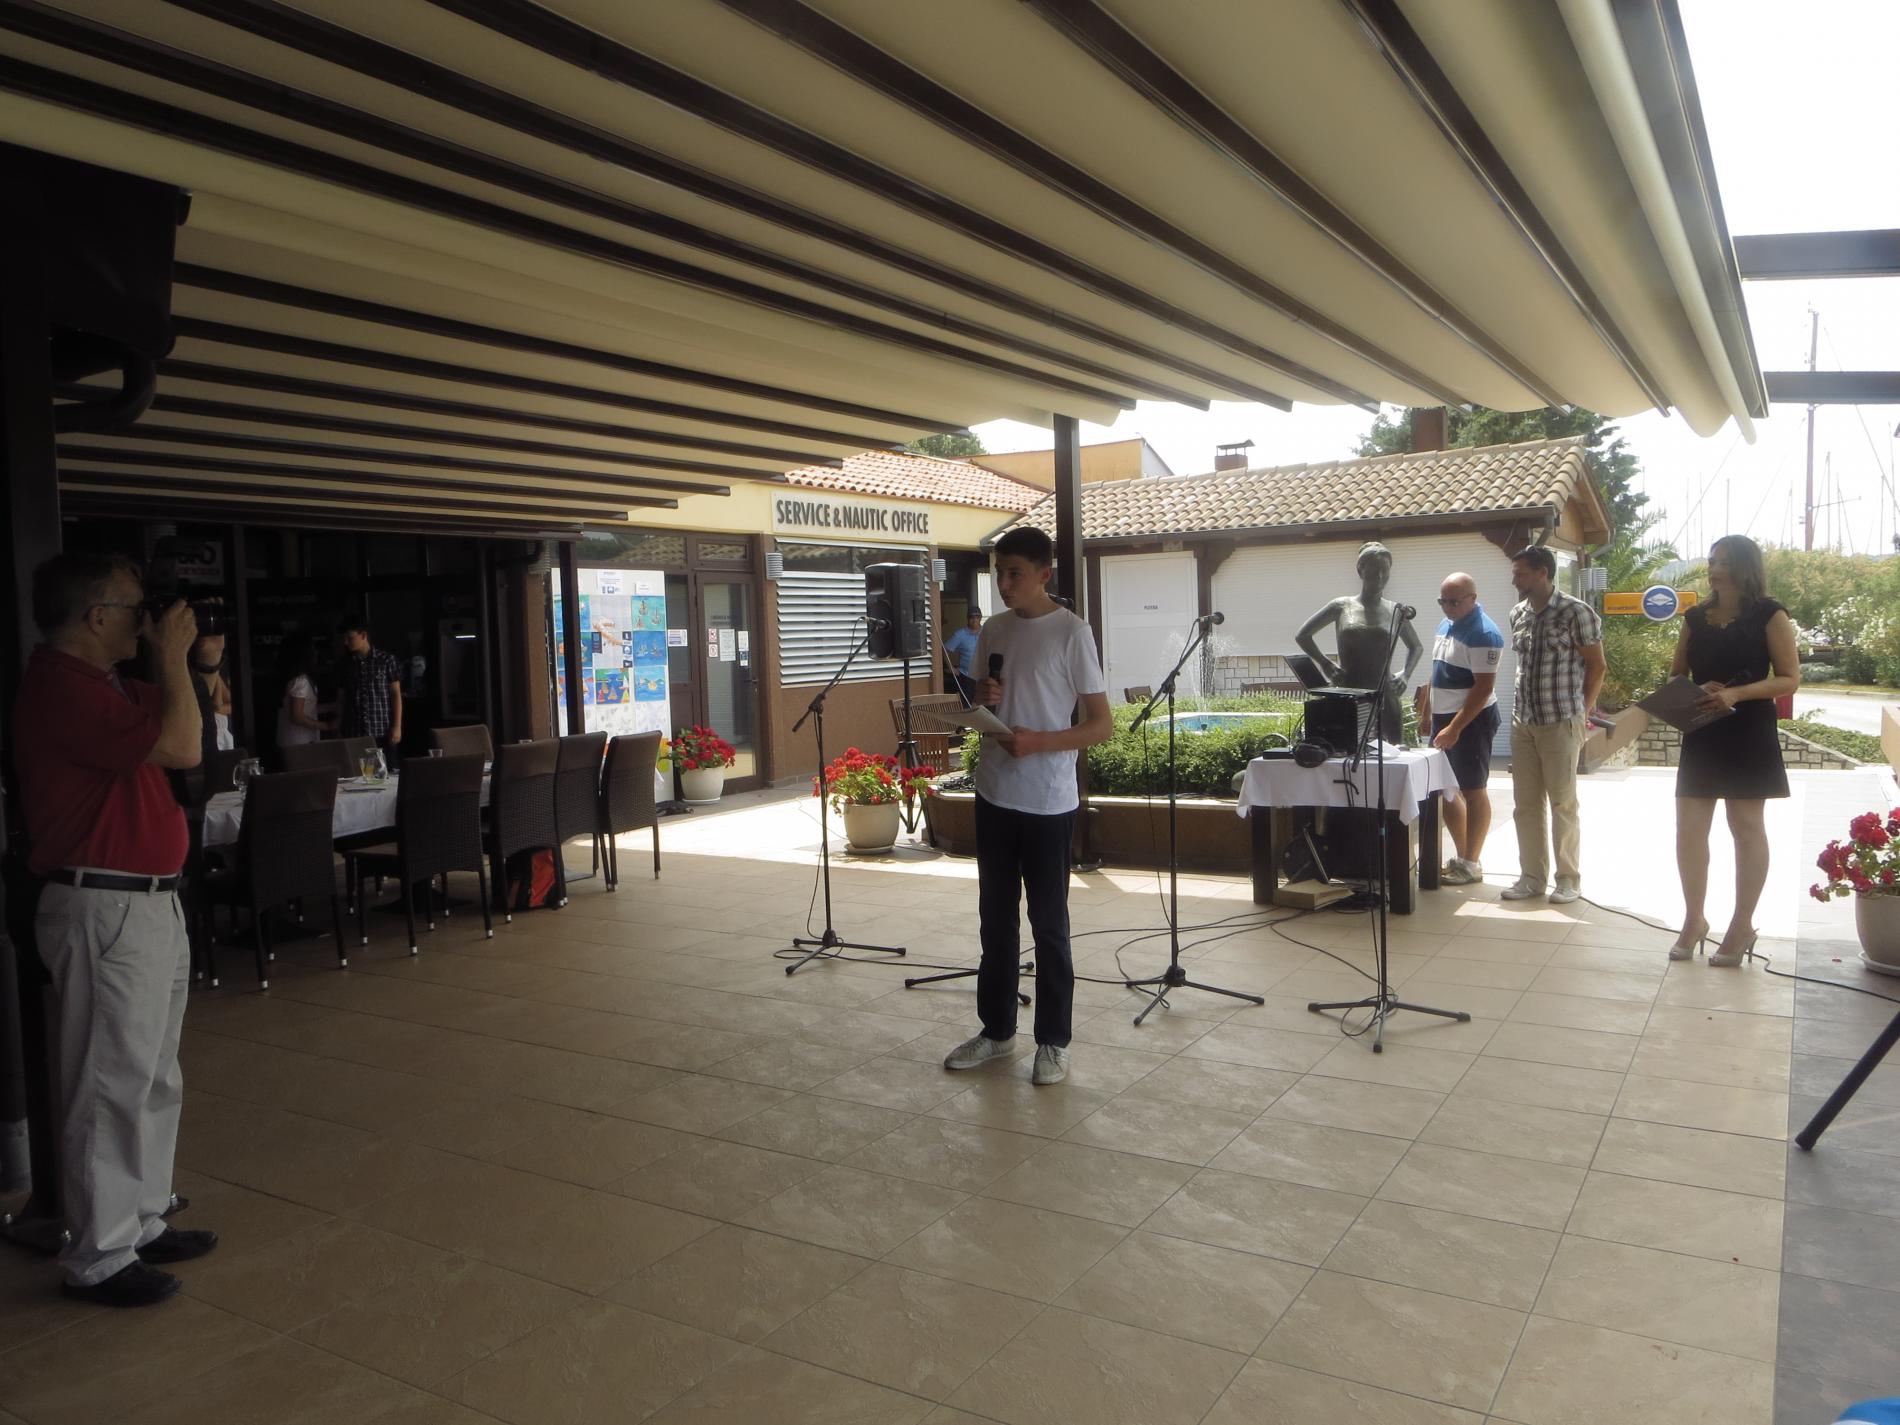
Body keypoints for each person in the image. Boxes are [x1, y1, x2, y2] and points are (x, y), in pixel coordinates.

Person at [13, 552, 219, 1307]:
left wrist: (192, 662)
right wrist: (173, 657)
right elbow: (183, 747)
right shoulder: (60, 688)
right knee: (109, 1081)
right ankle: (99, 1253)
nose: (145, 619)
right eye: (135, 608)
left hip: (147, 902)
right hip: (104, 904)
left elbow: (191, 727)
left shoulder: (105, 684)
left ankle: (141, 1216)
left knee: (154, 1071)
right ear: (96, 617)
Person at [942, 528, 1112, 1086]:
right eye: (999, 572)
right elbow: (979, 700)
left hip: (1046, 801)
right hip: (994, 792)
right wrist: (981, 699)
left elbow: (1101, 725)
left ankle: (1053, 1042)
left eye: (1015, 572)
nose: (1004, 583)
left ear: (1044, 573)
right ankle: (996, 1031)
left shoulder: (1072, 632)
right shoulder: (993, 628)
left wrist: (1039, 741)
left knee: (1049, 924)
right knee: (996, 919)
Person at [1669, 535, 1798, 966]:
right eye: (1712, 561)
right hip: (1703, 728)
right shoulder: (1694, 617)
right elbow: (1675, 676)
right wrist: (1695, 689)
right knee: (1688, 830)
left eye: (1724, 562)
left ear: (1745, 567)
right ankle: (1694, 920)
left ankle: (1742, 926)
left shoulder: (1770, 613)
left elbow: (1790, 678)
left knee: (1745, 827)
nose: (1715, 568)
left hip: (1749, 730)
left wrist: (1736, 693)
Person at [1503, 545, 1605, 904]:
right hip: (1523, 722)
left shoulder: (1576, 612)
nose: (1514, 580)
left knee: (1563, 803)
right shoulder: (1518, 613)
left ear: (1543, 573)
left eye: (1520, 573)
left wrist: (1582, 712)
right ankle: (1532, 878)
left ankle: (1568, 879)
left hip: (1561, 720)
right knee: (1525, 805)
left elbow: (1597, 666)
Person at [1418, 572, 1504, 885]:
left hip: (1472, 720)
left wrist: (1455, 728)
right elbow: (1436, 672)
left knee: (1473, 789)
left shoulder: (1484, 633)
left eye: (1454, 602)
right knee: (1445, 788)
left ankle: (1471, 861)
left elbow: (1483, 689)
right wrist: (1427, 712)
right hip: (1444, 718)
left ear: (1473, 598)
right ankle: (1463, 856)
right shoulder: (1446, 624)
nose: (1448, 607)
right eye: (1443, 601)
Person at [1293, 541, 1424, 744]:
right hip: (1348, 693)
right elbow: (1303, 635)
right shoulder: (1341, 606)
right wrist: (1325, 663)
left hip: (1385, 695)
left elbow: (1416, 646)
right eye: (1373, 570)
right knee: (1345, 749)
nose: (1379, 576)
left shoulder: (1396, 611)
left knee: (1394, 753)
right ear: (1360, 570)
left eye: (1384, 570)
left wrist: (1406, 674)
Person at [338, 617, 403, 766]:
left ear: (363, 635)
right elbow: (341, 698)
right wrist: (339, 726)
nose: (346, 642)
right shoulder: (345, 664)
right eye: (344, 638)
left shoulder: (386, 660)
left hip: (382, 729)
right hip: (354, 731)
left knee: (387, 771)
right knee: (358, 772)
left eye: (350, 638)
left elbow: (395, 694)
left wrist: (397, 726)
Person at [276, 636, 333, 752]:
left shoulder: (299, 679)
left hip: (298, 741)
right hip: (297, 742)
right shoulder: (301, 681)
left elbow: (307, 708)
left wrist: (332, 707)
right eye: (313, 649)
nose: (316, 652)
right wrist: (326, 725)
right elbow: (297, 716)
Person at [943, 608, 983, 703]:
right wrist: (951, 668)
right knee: (967, 705)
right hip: (966, 677)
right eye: (971, 617)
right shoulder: (960, 634)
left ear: (980, 618)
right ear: (967, 618)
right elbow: (944, 650)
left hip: (983, 676)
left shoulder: (986, 632)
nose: (974, 620)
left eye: (977, 617)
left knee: (983, 706)